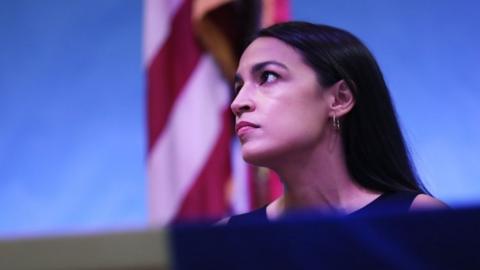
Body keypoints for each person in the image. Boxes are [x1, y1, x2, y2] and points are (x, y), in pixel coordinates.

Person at [224, 21, 447, 225]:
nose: (237, 103)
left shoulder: (422, 220)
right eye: (238, 87)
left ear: (340, 99)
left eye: (268, 76)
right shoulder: (225, 239)